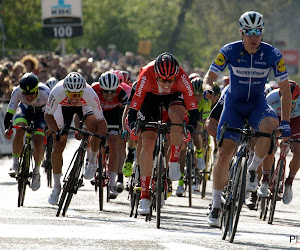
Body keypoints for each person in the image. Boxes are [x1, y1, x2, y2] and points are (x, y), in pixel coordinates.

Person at [203, 11, 291, 227]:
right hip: (233, 105)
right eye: (249, 32)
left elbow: (285, 92)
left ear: (262, 33)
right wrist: (207, 88)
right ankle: (215, 206)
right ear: (241, 33)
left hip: (257, 105)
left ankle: (252, 170)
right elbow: (209, 77)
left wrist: (286, 121)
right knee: (224, 155)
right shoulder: (229, 50)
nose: (254, 37)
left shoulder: (272, 54)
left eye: (258, 32)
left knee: (271, 124)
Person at [127, 52, 199, 215]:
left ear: (176, 76)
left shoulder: (182, 77)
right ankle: (144, 196)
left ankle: (173, 159)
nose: (166, 84)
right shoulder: (146, 74)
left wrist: (190, 128)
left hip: (172, 99)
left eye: (170, 80)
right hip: (149, 99)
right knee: (148, 140)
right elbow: (133, 108)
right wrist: (132, 126)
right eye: (162, 80)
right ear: (155, 75)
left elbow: (193, 110)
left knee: (177, 116)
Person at [44, 72, 107, 205]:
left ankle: (92, 160)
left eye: (78, 94)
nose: (74, 98)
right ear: (66, 90)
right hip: (62, 109)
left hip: (84, 107)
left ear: (82, 91)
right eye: (71, 94)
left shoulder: (89, 93)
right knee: (58, 144)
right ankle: (56, 188)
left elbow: (101, 121)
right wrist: (58, 131)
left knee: (95, 129)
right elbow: (48, 115)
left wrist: (102, 139)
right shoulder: (57, 92)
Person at [4, 73, 50, 191]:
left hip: (41, 114)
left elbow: (53, 114)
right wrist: (7, 128)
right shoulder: (17, 91)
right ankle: (15, 163)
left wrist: (50, 128)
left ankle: (36, 171)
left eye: (31, 93)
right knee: (19, 131)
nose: (28, 96)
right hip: (25, 111)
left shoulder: (46, 93)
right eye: (25, 93)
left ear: (37, 90)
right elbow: (9, 113)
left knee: (39, 141)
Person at [91, 71, 128, 199]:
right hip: (98, 114)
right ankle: (91, 162)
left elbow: (126, 112)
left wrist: (124, 128)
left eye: (112, 91)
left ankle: (112, 182)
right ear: (101, 89)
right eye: (106, 91)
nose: (109, 95)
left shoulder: (121, 93)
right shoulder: (93, 90)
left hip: (114, 115)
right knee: (93, 136)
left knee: (113, 143)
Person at [262, 80, 300, 203]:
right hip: (276, 118)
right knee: (268, 145)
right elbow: (262, 115)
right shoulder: (272, 97)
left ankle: (289, 182)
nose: (291, 105)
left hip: (296, 121)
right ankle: (265, 180)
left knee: (298, 151)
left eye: (293, 102)